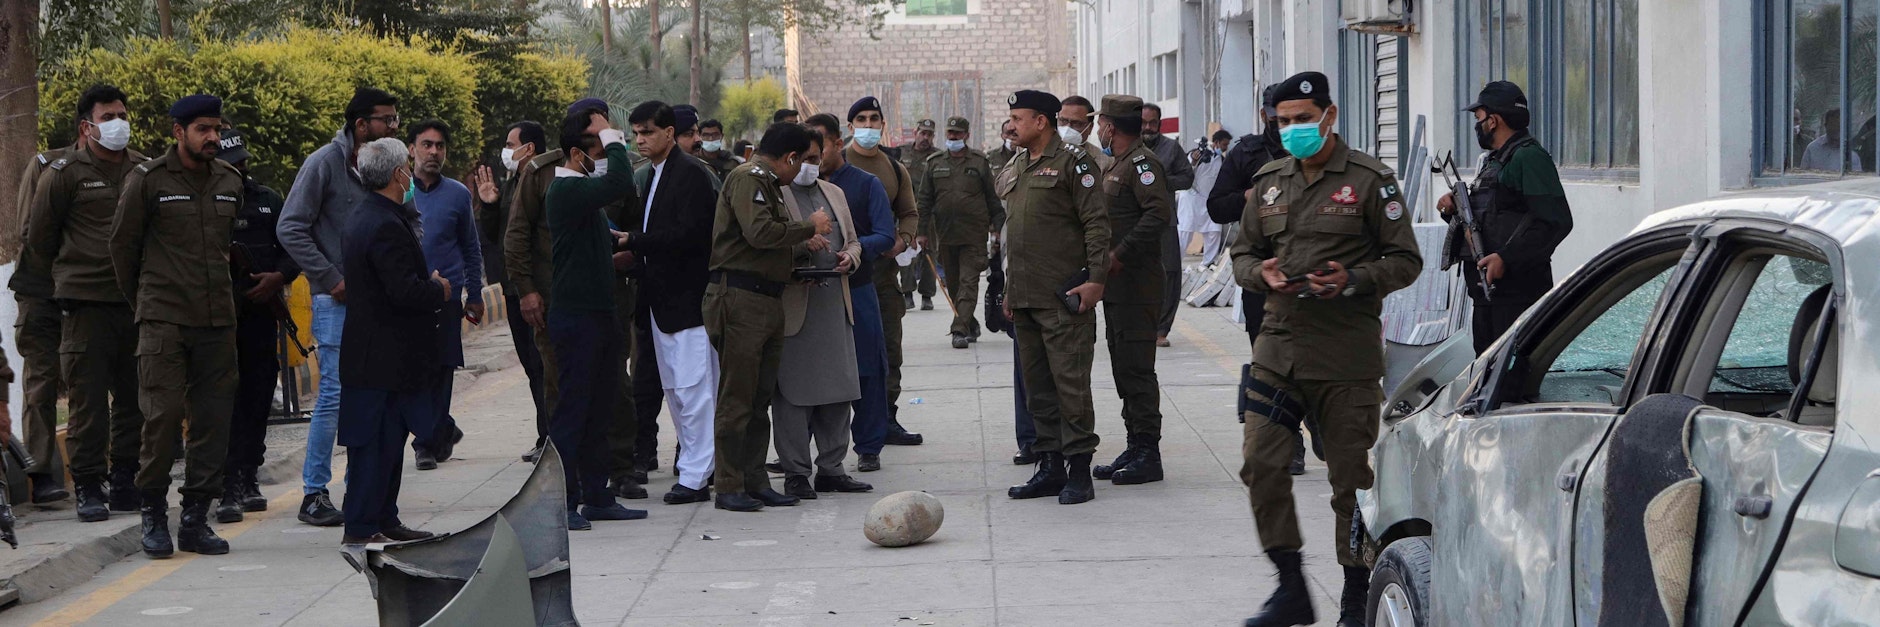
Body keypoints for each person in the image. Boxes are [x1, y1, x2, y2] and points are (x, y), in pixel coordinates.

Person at [1231, 71, 1422, 627]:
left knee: (1351, 482)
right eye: (1283, 121)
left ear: (1329, 116)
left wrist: (1354, 279)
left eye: (1302, 120)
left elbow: (1405, 261)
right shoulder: (1269, 181)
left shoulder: (1370, 180)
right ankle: (1290, 585)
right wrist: (1259, 273)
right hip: (1278, 346)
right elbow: (1242, 254)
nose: (1293, 130)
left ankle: (1353, 592)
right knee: (1261, 464)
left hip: (1345, 355)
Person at [109, 94, 242, 558]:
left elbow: (227, 247)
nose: (212, 137)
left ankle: (194, 519)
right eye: (202, 129)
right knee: (161, 419)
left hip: (217, 322)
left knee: (212, 422)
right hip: (164, 321)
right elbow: (122, 249)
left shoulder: (229, 180)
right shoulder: (147, 181)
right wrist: (146, 303)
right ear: (177, 132)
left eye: (216, 129)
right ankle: (153, 514)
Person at [24, 83, 149, 521]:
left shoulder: (143, 170)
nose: (118, 124)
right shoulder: (63, 174)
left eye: (122, 115)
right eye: (108, 117)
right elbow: (39, 241)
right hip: (83, 304)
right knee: (88, 403)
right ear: (86, 126)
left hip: (135, 304)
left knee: (135, 400)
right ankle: (90, 485)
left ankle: (125, 480)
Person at [277, 86, 401, 527]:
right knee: (334, 395)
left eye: (395, 120)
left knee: (376, 397)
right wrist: (331, 278)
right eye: (385, 120)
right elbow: (290, 227)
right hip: (337, 301)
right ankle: (314, 493)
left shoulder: (385, 168)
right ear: (360, 124)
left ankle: (363, 492)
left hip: (380, 305)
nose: (392, 127)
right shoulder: (323, 163)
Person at [705, 122, 831, 512]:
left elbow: (764, 244)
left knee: (759, 399)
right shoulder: (748, 178)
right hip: (741, 300)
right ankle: (729, 484)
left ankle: (755, 480)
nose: (804, 171)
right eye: (803, 161)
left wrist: (800, 254)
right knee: (737, 398)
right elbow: (760, 233)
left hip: (765, 299)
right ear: (790, 158)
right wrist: (808, 226)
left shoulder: (768, 183)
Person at [330, 137, 449, 547]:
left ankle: (384, 517)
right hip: (379, 359)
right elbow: (404, 292)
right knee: (373, 447)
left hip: (384, 359)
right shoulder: (382, 223)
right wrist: (438, 290)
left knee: (389, 445)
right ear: (400, 173)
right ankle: (362, 527)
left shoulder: (371, 215)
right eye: (409, 166)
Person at [999, 90, 1110, 506]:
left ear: (1041, 122)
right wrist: (1010, 290)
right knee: (1038, 389)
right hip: (1026, 296)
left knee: (1070, 387)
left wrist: (1096, 280)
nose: (1011, 126)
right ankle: (1048, 467)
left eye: (1017, 118)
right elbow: (1017, 236)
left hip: (1064, 295)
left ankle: (1079, 470)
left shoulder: (1073, 163)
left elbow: (1097, 224)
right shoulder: (1022, 165)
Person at [542, 109, 649, 530]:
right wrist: (614, 136)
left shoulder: (582, 192)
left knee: (599, 410)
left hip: (600, 313)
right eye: (596, 147)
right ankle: (562, 501)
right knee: (573, 413)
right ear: (575, 153)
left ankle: (597, 495)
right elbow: (621, 181)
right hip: (576, 316)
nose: (603, 154)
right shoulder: (565, 190)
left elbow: (604, 235)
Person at [622, 100, 720, 505]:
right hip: (659, 304)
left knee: (696, 392)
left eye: (647, 132)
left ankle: (697, 475)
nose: (640, 140)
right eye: (636, 133)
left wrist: (634, 242)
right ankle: (696, 469)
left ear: (668, 132)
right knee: (677, 392)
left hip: (689, 303)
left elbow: (691, 237)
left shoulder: (692, 174)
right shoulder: (656, 174)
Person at [770, 130, 873, 500]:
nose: (809, 167)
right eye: (803, 159)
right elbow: (764, 241)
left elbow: (854, 240)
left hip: (834, 305)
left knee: (837, 391)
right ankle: (796, 471)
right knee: (794, 396)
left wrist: (851, 257)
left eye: (815, 159)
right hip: (796, 307)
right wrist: (800, 241)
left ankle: (832, 468)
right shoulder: (774, 194)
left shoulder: (835, 193)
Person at [1207, 84, 1304, 477]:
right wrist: (1248, 196)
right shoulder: (1245, 153)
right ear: (1265, 114)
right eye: (1278, 115)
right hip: (1264, 276)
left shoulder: (1322, 153)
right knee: (1272, 364)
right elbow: (1216, 206)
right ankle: (1287, 438)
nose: (1288, 125)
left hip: (1315, 277)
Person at [1441, 81, 1574, 355]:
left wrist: (1506, 258)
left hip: (1517, 298)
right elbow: (1493, 220)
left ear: (1494, 121)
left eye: (1479, 119)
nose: (1477, 126)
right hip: (1489, 296)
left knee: (1512, 382)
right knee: (1487, 376)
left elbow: (1555, 222)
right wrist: (1454, 211)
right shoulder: (1496, 161)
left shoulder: (1528, 158)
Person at [213, 127, 299, 524]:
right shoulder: (207, 204)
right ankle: (225, 481)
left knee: (257, 396)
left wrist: (277, 279)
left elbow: (293, 250)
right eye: (232, 165)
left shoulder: (267, 201)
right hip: (215, 319)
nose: (240, 171)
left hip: (260, 316)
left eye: (243, 163)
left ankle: (248, 474)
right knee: (221, 401)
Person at [803, 113, 896, 476]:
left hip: (855, 288)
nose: (810, 158)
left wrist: (853, 251)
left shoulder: (863, 184)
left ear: (837, 143)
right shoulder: (793, 187)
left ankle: (869, 445)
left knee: (868, 369)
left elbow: (885, 235)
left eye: (817, 149)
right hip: (809, 294)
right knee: (810, 373)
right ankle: (804, 447)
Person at [1087, 95, 1173, 486]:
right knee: (1124, 366)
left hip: (1137, 284)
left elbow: (1158, 214)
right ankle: (1135, 443)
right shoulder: (1118, 164)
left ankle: (1148, 453)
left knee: (1137, 370)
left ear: (1109, 125)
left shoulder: (1142, 164)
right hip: (1119, 287)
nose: (1098, 129)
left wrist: (1120, 254)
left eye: (1100, 123)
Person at [505, 100, 597, 464]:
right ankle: (562, 463)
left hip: (598, 300)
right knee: (557, 380)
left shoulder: (608, 169)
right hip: (552, 298)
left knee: (603, 384)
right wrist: (527, 291)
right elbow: (515, 238)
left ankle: (613, 465)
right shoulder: (541, 173)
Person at [844, 97, 924, 451]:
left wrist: (903, 239)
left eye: (874, 119)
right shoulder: (837, 163)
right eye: (861, 119)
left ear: (882, 125)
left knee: (889, 352)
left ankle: (886, 419)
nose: (868, 125)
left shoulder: (893, 167)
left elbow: (909, 211)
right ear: (849, 127)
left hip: (882, 275)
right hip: (841, 277)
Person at [469, 121, 550, 466]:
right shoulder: (513, 183)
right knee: (533, 369)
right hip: (513, 291)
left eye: (510, 144)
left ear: (528, 148)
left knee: (546, 367)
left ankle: (554, 437)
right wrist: (489, 205)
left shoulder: (544, 181)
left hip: (535, 290)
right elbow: (497, 236)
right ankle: (545, 435)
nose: (505, 151)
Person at [406, 119, 479, 471]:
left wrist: (475, 293)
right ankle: (439, 429)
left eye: (439, 146)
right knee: (416, 370)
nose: (433, 152)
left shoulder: (458, 195)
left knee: (443, 369)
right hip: (408, 297)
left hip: (447, 299)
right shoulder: (399, 191)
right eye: (426, 145)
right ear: (411, 149)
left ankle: (426, 443)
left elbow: (471, 247)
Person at [917, 116, 1004, 348]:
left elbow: (992, 198)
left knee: (968, 282)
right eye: (950, 133)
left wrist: (998, 230)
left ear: (966, 135)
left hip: (974, 234)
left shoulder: (979, 162)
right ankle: (970, 322)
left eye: (957, 133)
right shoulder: (934, 163)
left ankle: (958, 330)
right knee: (954, 285)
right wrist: (921, 232)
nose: (953, 137)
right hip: (945, 235)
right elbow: (924, 200)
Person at [1138, 103, 1194, 348]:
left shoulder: (1171, 148)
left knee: (1169, 273)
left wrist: (1162, 181)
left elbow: (1187, 177)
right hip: (1134, 222)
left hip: (1165, 221)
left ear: (1160, 123)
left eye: (1152, 123)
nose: (1148, 127)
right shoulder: (1128, 147)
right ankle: (1139, 325)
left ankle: (1162, 328)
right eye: (1143, 123)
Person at [899, 118, 939, 311]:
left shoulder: (937, 157)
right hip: (906, 210)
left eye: (929, 135)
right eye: (923, 133)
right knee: (907, 250)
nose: (925, 138)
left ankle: (927, 295)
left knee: (929, 252)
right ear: (915, 132)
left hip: (929, 213)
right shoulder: (902, 153)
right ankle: (907, 292)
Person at [1178, 131, 1229, 265]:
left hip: (1209, 200)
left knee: (1214, 230)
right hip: (1191, 199)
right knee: (1185, 231)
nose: (1225, 148)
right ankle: (1175, 262)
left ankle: (1208, 263)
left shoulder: (1221, 160)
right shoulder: (1196, 154)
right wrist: (1194, 160)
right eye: (1224, 145)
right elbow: (1184, 171)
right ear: (1216, 142)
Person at [1058, 96, 1111, 170]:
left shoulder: (1103, 162)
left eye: (1076, 123)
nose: (1068, 128)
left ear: (1090, 127)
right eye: (1063, 121)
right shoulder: (1040, 153)